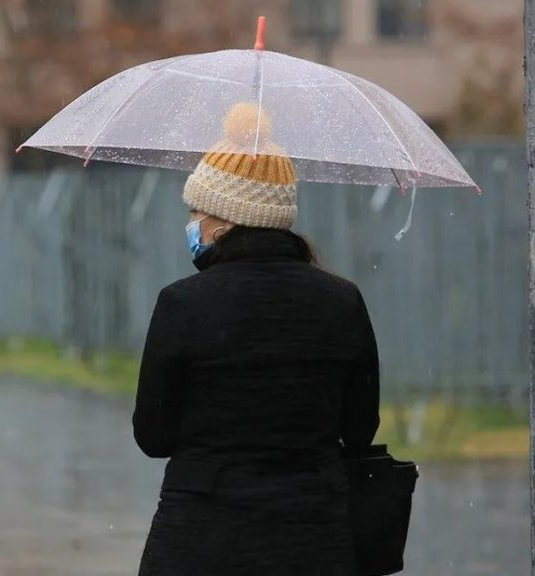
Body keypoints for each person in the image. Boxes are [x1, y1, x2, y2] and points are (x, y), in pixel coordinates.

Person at [133, 103, 380, 576]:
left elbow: (154, 436)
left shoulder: (183, 304)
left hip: (200, 537)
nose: (192, 224)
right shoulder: (342, 301)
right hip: (313, 537)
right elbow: (359, 427)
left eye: (197, 212)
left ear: (225, 220)